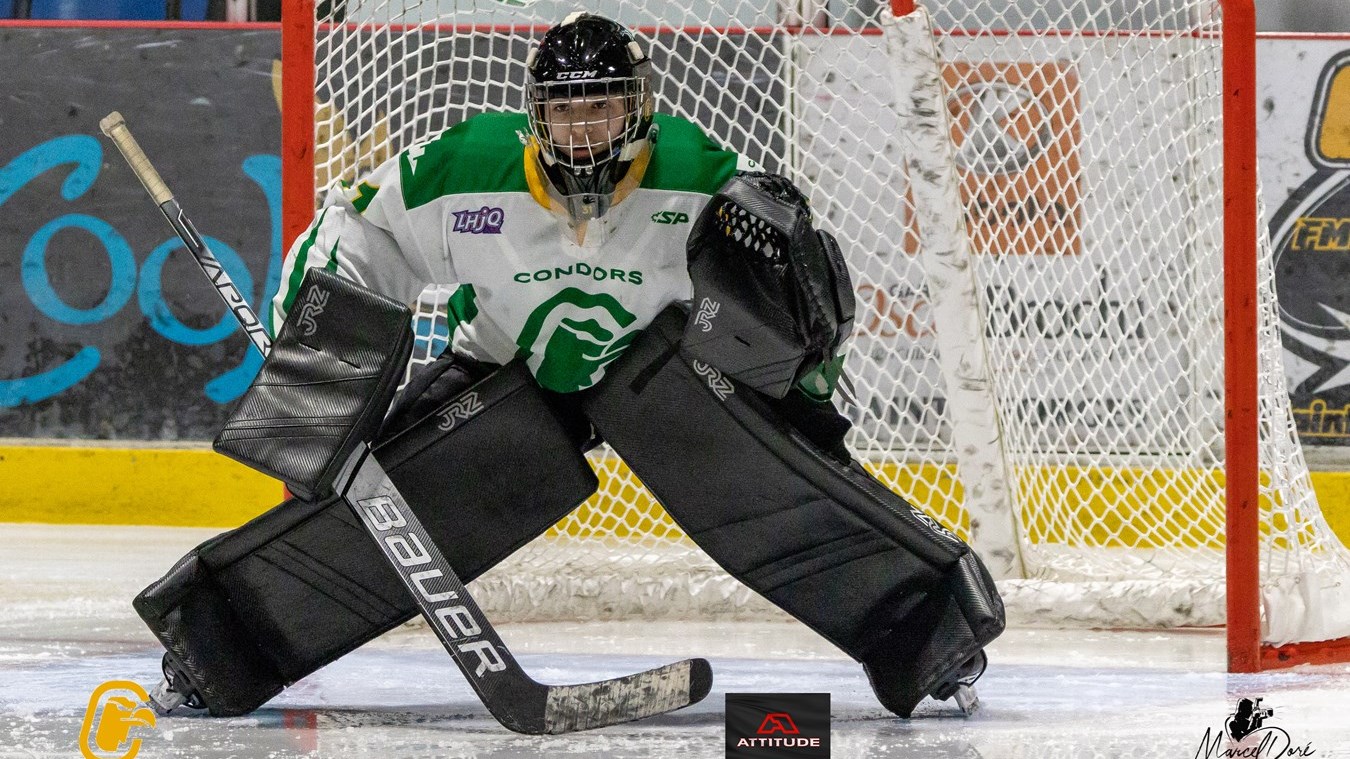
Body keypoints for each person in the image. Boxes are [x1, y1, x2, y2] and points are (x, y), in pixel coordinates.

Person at [135, 11, 1001, 722]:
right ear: (535, 114)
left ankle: (931, 633)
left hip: (654, 378)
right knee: (399, 503)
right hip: (507, 373)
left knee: (766, 482)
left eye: (603, 108)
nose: (583, 129)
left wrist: (801, 391)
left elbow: (792, 299)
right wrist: (318, 354)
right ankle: (216, 647)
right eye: (566, 110)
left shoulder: (699, 175)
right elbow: (352, 235)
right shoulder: (463, 169)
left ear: (640, 109)